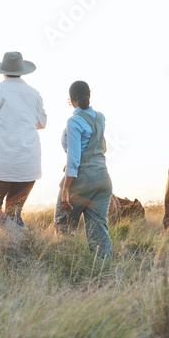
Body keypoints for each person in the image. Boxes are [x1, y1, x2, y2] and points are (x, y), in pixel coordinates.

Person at [0, 51, 47, 227]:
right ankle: (21, 246)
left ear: (3, 71)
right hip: (29, 162)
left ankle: (18, 236)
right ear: (22, 71)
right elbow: (42, 123)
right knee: (14, 213)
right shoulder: (34, 93)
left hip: (1, 161)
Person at [55, 80, 113, 259]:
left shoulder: (74, 121)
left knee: (63, 223)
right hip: (103, 178)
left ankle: (66, 266)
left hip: (82, 178)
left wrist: (66, 188)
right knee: (98, 229)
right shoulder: (100, 117)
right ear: (89, 95)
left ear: (71, 99)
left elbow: (74, 158)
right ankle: (104, 270)